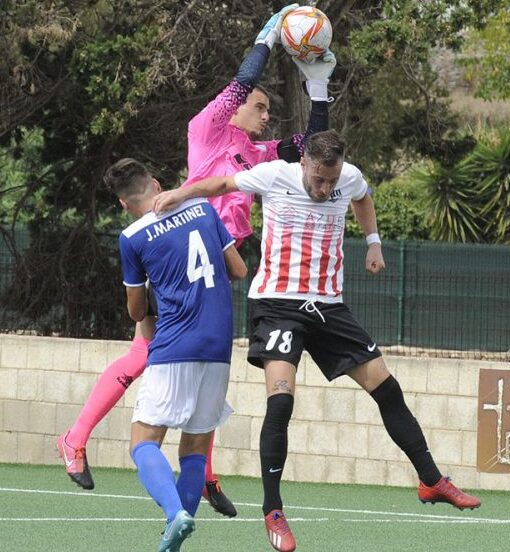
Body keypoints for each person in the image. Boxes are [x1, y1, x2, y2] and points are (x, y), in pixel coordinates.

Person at [57, 2, 336, 518]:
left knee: (195, 368)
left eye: (270, 110)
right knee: (146, 354)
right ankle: (75, 440)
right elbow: (239, 81)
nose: (266, 113)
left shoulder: (258, 152)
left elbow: (312, 147)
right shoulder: (208, 128)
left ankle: (200, 473)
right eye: (260, 105)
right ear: (236, 107)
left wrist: (319, 91)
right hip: (184, 256)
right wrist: (267, 37)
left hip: (212, 259)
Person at [152, 129, 482, 552]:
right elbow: (218, 183)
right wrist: (178, 193)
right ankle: (273, 510)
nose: (326, 188)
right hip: (276, 304)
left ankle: (432, 480)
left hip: (327, 306)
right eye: (319, 179)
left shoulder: (349, 178)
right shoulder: (275, 174)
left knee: (388, 387)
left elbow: (362, 197)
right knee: (282, 400)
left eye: (332, 180)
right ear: (304, 163)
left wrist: (374, 242)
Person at [105, 158, 247, 552]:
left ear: (123, 203)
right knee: (195, 449)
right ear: (155, 182)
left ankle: (174, 514)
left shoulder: (132, 236)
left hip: (174, 347)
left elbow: (136, 312)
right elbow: (238, 269)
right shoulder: (203, 208)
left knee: (143, 442)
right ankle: (174, 540)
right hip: (218, 346)